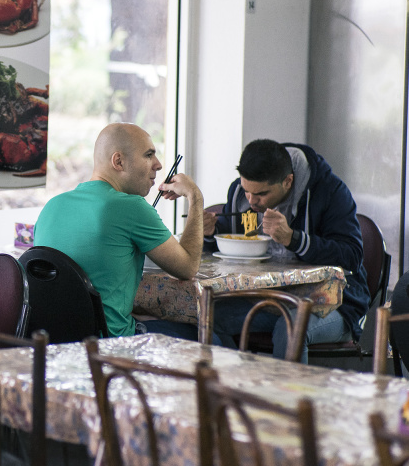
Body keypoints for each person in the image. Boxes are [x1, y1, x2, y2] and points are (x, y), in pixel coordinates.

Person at [33, 123, 206, 337]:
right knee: (206, 333)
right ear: (118, 161)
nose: (158, 165)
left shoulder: (51, 206)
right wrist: (195, 197)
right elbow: (188, 267)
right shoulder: (131, 207)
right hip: (111, 343)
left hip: (53, 341)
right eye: (149, 155)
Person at [204, 139, 369, 363]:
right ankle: (241, 380)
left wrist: (294, 239)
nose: (251, 201)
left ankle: (285, 388)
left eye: (261, 194)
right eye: (246, 191)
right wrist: (210, 232)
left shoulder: (329, 191)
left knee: (290, 327)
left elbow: (352, 256)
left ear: (288, 181)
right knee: (208, 317)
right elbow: (233, 244)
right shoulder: (241, 193)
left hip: (334, 302)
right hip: (268, 296)